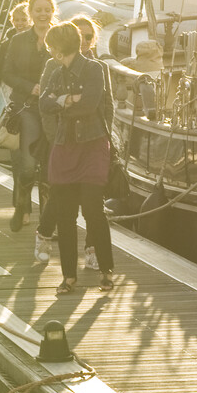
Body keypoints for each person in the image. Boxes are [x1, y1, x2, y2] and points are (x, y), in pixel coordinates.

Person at [39, 22, 116, 295]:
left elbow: (91, 104)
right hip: (64, 146)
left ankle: (106, 271)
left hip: (92, 145)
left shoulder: (94, 69)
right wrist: (68, 99)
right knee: (65, 215)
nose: (49, 51)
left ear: (59, 49)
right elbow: (43, 104)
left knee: (94, 211)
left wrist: (60, 102)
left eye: (51, 47)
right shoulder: (57, 72)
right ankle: (69, 276)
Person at [0, 0, 57, 246]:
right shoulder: (19, 40)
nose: (43, 14)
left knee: (51, 169)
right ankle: (21, 204)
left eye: (47, 10)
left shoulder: (62, 36)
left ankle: (47, 222)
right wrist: (30, 86)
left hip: (54, 110)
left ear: (52, 12)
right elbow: (7, 73)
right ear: (30, 13)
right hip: (29, 107)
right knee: (27, 165)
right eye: (38, 10)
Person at [0, 1, 31, 132]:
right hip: (12, 97)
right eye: (16, 20)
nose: (20, 23)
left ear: (30, 20)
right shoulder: (6, 45)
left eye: (24, 19)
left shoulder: (41, 41)